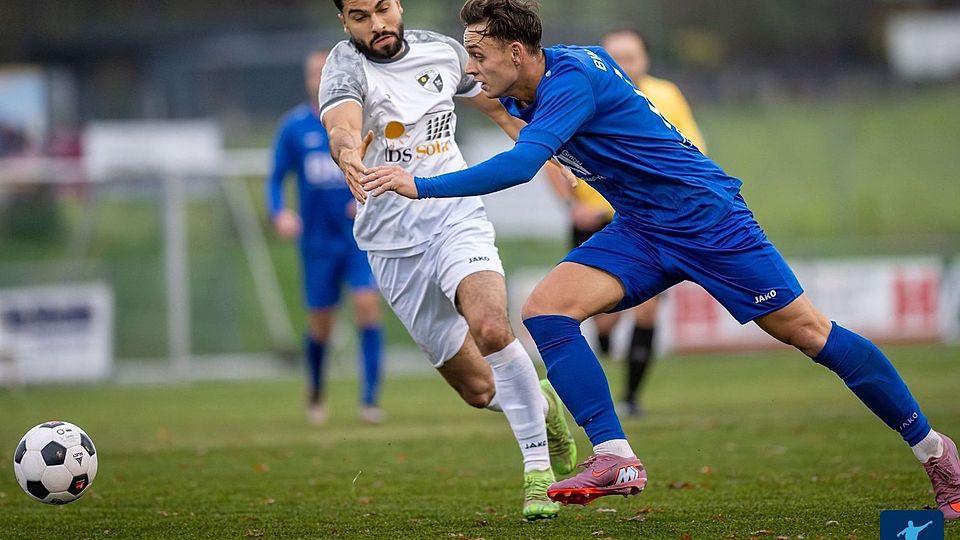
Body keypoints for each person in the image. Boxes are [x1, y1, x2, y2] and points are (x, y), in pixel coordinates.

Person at [358, 0, 960, 518]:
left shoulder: (570, 80)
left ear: (516, 52)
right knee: (545, 312)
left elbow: (520, 166)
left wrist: (420, 185)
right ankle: (615, 457)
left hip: (706, 219)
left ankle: (936, 451)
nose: (470, 65)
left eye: (478, 53)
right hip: (643, 227)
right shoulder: (527, 85)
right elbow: (510, 119)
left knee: (809, 333)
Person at [318, 0, 578, 521]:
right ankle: (541, 404)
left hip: (454, 217)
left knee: (490, 324)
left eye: (383, 9)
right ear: (344, 22)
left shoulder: (444, 52)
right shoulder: (345, 67)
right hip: (391, 244)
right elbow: (342, 128)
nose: (378, 24)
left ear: (399, 5)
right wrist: (348, 154)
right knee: (479, 388)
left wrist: (550, 157)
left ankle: (536, 472)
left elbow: (500, 108)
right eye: (361, 16)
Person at [545, 28, 709, 417]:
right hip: (594, 218)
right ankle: (602, 355)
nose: (625, 63)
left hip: (649, 220)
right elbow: (548, 156)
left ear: (646, 60)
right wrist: (572, 206)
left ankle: (632, 399)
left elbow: (693, 149)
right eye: (617, 55)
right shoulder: (582, 95)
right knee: (601, 317)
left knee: (648, 308)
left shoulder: (666, 96)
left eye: (632, 55)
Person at [266, 48, 385, 426]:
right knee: (322, 323)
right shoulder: (295, 127)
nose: (321, 79)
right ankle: (316, 392)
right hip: (317, 241)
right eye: (315, 72)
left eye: (326, 72)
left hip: (358, 237)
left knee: (367, 306)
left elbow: (389, 162)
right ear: (307, 79)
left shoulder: (361, 121)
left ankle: (369, 401)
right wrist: (279, 212)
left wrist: (372, 197)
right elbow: (275, 178)